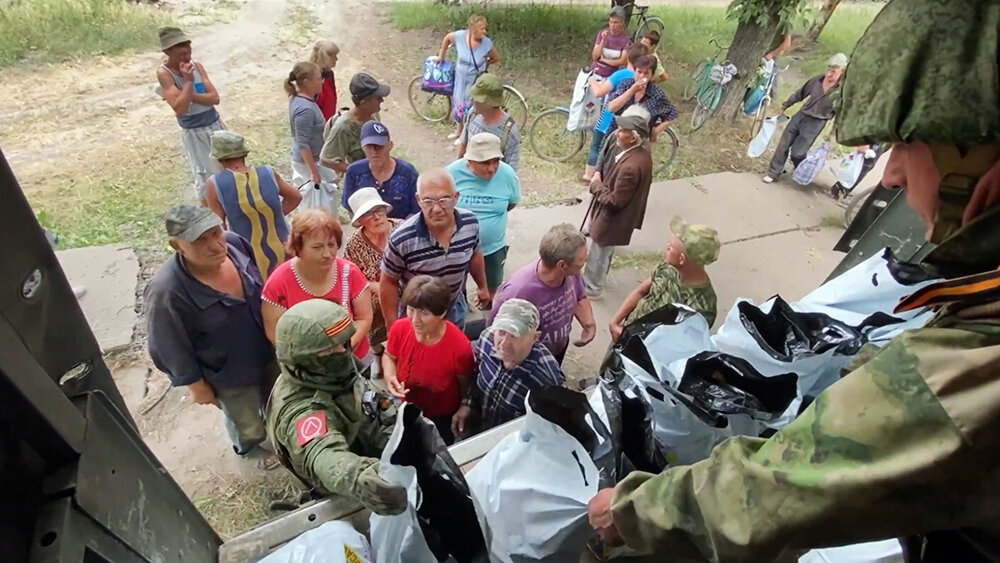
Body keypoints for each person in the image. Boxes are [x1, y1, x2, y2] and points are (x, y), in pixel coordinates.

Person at [588, 2, 1000, 559]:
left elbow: (778, 487)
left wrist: (631, 509)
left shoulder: (972, 369)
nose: (895, 172)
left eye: (910, 143)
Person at [145, 205, 277, 458]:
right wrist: (197, 386)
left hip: (265, 349)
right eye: (200, 241)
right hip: (228, 372)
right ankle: (249, 450)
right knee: (245, 420)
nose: (216, 245)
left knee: (275, 399)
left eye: (216, 233)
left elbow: (261, 288)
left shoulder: (235, 244)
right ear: (177, 246)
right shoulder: (167, 291)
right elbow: (167, 345)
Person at [264, 299, 406, 516]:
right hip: (357, 494)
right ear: (303, 359)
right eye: (330, 350)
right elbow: (321, 454)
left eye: (343, 343)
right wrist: (357, 476)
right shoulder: (303, 410)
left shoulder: (326, 370)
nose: (342, 351)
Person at [380, 168, 491, 331]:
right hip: (419, 316)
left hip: (454, 308)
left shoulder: (470, 223)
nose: (437, 209)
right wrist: (392, 327)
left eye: (444, 200)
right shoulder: (402, 238)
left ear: (456, 198)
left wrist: (482, 287)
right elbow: (388, 281)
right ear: (418, 200)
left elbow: (475, 255)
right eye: (429, 201)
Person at [261, 209, 373, 364]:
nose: (327, 253)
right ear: (298, 248)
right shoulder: (278, 284)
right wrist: (309, 358)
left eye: (331, 245)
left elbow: (364, 317)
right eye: (317, 247)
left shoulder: (350, 273)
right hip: (306, 365)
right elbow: (275, 333)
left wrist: (340, 351)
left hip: (354, 358)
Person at [382, 276, 474, 445]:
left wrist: (464, 407)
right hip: (406, 406)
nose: (415, 319)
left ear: (442, 313)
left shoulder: (459, 346)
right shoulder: (400, 328)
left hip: (441, 416)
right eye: (411, 309)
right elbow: (389, 356)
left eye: (424, 313)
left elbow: (466, 385)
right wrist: (390, 377)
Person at [489, 224, 596, 363]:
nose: (586, 260)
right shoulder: (516, 291)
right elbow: (495, 331)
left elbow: (579, 296)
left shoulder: (572, 273)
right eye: (582, 260)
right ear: (562, 265)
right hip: (529, 360)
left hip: (558, 349)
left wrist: (589, 324)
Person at [204, 130, 301, 278]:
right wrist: (275, 214)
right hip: (284, 249)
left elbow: (218, 227)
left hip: (248, 257)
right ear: (244, 154)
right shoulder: (268, 173)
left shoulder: (215, 184)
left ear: (219, 159)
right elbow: (295, 197)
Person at [609, 216, 719, 340]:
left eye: (671, 247)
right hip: (625, 332)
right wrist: (615, 322)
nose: (666, 247)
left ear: (681, 259)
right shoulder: (668, 267)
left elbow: (681, 344)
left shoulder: (701, 307)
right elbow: (641, 291)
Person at [583, 107, 654, 298]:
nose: (617, 133)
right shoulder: (639, 153)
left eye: (622, 131)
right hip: (619, 218)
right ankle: (596, 282)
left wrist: (596, 185)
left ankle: (592, 288)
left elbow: (615, 201)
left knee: (599, 251)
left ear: (633, 137)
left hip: (613, 218)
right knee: (605, 250)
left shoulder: (631, 166)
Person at [470, 299, 564, 431]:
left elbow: (548, 428)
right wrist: (467, 404)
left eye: (514, 335)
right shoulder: (486, 339)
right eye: (501, 332)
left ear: (534, 337)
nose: (503, 344)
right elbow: (475, 372)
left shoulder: (547, 381)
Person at [155, 26, 224, 202]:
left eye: (188, 48)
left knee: (227, 166)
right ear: (168, 51)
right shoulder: (164, 73)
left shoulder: (197, 66)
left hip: (214, 124)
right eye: (180, 52)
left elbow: (215, 98)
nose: (186, 55)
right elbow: (180, 109)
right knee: (206, 175)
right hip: (194, 130)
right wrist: (187, 83)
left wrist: (187, 95)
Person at [446, 133, 520, 298]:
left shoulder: (508, 175)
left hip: (493, 247)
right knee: (455, 291)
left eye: (496, 162)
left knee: (494, 291)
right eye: (485, 162)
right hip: (458, 246)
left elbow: (511, 203)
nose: (492, 168)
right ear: (470, 161)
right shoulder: (451, 173)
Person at [762, 53, 848, 183]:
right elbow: (800, 94)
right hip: (801, 115)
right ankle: (773, 172)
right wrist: (785, 106)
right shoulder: (817, 80)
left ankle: (801, 169)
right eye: (829, 69)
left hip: (816, 122)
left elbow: (840, 113)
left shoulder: (841, 91)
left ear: (842, 72)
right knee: (783, 144)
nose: (829, 74)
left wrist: (832, 133)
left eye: (834, 71)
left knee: (798, 152)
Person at [343, 188, 402, 366]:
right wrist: (372, 286)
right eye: (368, 214)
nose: (376, 217)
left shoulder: (402, 229)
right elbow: (349, 276)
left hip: (406, 293)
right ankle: (378, 354)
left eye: (379, 210)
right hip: (374, 303)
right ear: (360, 221)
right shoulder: (355, 243)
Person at [583, 43, 648, 182]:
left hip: (608, 119)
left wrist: (592, 81)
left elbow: (600, 91)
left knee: (596, 147)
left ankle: (588, 175)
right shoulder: (642, 80)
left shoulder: (621, 75)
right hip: (627, 123)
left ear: (628, 57)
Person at [437, 13, 500, 141]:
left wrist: (484, 64)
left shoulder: (487, 43)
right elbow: (447, 38)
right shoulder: (460, 36)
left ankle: (465, 135)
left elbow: (495, 57)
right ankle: (458, 130)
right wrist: (441, 56)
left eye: (484, 28)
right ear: (473, 29)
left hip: (475, 81)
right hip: (460, 79)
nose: (484, 31)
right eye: (482, 28)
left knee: (471, 107)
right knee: (459, 103)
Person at [341, 121, 419, 220]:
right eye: (369, 147)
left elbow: (416, 212)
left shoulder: (407, 173)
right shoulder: (354, 172)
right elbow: (351, 210)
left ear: (390, 145)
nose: (374, 151)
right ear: (362, 147)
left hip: (402, 230)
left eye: (379, 146)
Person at [320, 72, 389, 176]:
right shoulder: (343, 127)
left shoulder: (374, 114)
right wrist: (359, 171)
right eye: (378, 98)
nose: (382, 100)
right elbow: (326, 159)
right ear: (364, 103)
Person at [286, 61, 338, 192]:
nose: (322, 81)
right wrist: (313, 172)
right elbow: (303, 143)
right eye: (319, 78)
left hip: (314, 160)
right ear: (306, 82)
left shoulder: (301, 100)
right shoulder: (305, 110)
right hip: (308, 164)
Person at [606, 54, 678, 141]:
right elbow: (611, 108)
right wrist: (632, 91)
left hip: (639, 141)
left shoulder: (657, 94)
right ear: (634, 71)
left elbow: (672, 114)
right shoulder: (625, 85)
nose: (641, 76)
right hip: (617, 135)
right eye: (639, 72)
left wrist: (656, 131)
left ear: (651, 75)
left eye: (646, 73)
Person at [457, 74, 521, 170]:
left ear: (489, 103)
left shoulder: (509, 131)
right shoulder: (472, 114)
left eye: (477, 99)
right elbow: (464, 145)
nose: (472, 100)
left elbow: (511, 170)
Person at [591, 6, 632, 79]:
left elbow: (622, 61)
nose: (612, 25)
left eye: (616, 22)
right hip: (596, 70)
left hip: (613, 75)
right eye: (611, 22)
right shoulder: (602, 33)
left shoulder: (625, 39)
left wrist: (604, 60)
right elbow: (595, 57)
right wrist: (603, 41)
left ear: (622, 23)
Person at [310, 40, 340, 122]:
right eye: (334, 56)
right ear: (326, 57)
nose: (337, 59)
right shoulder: (312, 78)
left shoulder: (329, 74)